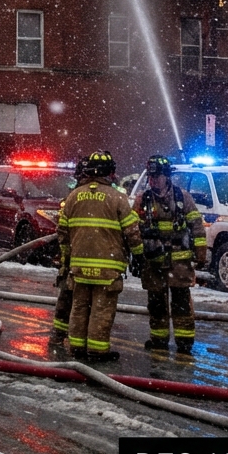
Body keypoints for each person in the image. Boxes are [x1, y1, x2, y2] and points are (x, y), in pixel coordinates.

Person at [55, 151, 143, 363]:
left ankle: (77, 347)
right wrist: (139, 256)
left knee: (79, 307)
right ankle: (97, 351)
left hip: (79, 267)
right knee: (101, 310)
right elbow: (132, 231)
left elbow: (62, 232)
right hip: (108, 268)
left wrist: (67, 261)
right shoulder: (117, 198)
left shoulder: (74, 196)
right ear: (110, 173)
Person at [132, 155, 207, 354]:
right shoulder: (142, 200)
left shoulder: (183, 198)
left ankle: (184, 343)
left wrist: (200, 254)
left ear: (167, 176)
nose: (153, 180)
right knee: (156, 304)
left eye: (157, 176)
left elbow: (197, 226)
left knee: (181, 303)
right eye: (151, 177)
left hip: (179, 263)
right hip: (153, 262)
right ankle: (159, 340)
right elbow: (132, 228)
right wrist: (136, 255)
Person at [52, 158, 88, 342]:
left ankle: (61, 333)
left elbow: (63, 227)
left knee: (69, 295)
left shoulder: (74, 196)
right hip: (79, 256)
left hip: (73, 256)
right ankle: (74, 337)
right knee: (77, 299)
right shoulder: (77, 196)